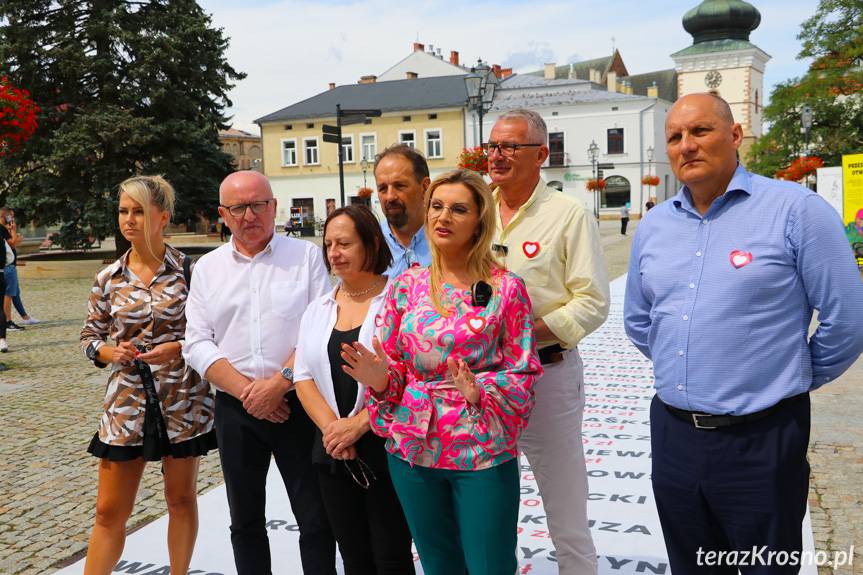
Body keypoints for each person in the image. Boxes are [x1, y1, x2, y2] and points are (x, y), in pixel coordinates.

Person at [624, 93, 863, 573]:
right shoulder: (653, 226)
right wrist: (691, 365)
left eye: (700, 131)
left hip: (763, 438)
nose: (686, 145)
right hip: (674, 435)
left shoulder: (796, 210)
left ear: (734, 136)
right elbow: (639, 320)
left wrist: (785, 376)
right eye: (675, 137)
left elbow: (847, 318)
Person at [343, 169, 541, 575]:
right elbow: (395, 367)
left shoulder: (507, 288)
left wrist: (478, 391)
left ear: (479, 222)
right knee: (437, 563)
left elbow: (522, 370)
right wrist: (379, 378)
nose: (442, 217)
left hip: (481, 448)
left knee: (490, 564)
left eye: (458, 209)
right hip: (414, 448)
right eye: (436, 206)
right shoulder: (406, 286)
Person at [183, 170, 336, 575]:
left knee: (315, 517)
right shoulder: (207, 269)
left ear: (274, 207)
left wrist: (277, 385)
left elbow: (319, 331)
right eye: (238, 207)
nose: (250, 215)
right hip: (236, 410)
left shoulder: (305, 258)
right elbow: (196, 342)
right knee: (245, 520)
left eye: (258, 205)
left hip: (300, 404)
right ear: (223, 213)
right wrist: (250, 393)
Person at [485, 109, 609, 575]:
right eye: (493, 146)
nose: (497, 155)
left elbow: (592, 301)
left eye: (509, 147)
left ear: (541, 154)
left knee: (565, 512)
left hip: (547, 377)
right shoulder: (475, 209)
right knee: (488, 511)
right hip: (483, 385)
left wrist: (516, 333)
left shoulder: (567, 214)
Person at [79, 175, 217, 575]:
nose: (129, 220)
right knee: (108, 511)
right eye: (123, 211)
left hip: (182, 400)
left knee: (180, 499)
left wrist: (177, 348)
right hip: (126, 402)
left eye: (138, 211)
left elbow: (207, 331)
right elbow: (90, 334)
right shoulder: (109, 278)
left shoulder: (190, 272)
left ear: (163, 217)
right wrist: (106, 351)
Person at [294, 205, 415, 575]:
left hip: (386, 447)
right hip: (333, 452)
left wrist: (359, 425)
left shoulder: (400, 299)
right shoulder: (318, 308)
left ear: (371, 244)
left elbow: (411, 375)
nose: (334, 252)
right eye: (329, 243)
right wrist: (334, 430)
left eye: (345, 243)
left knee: (391, 556)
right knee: (353, 557)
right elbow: (302, 376)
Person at [374, 144, 431, 277]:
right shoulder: (369, 244)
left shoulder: (447, 240)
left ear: (424, 187)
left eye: (399, 186)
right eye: (382, 188)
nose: (390, 197)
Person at [1, 207, 38, 330]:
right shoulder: (3, 229)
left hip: (9, 265)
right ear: (5, 216)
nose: (12, 218)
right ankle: (8, 322)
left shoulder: (5, 229)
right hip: (7, 266)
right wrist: (15, 232)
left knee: (15, 293)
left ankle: (25, 317)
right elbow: (13, 243)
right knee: (9, 294)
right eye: (10, 216)